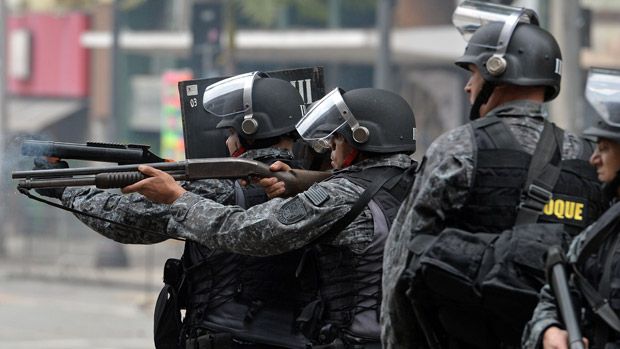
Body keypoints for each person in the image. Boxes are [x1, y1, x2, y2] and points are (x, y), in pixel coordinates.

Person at [121, 87, 418, 349]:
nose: (330, 147)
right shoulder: (423, 183)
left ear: (361, 138)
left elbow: (245, 232)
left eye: (338, 139)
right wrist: (301, 182)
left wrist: (177, 198)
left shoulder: (341, 196)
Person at [34, 72, 314, 348]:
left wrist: (65, 190)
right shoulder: (326, 188)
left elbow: (123, 219)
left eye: (230, 132)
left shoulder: (214, 190)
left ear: (248, 133)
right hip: (298, 338)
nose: (228, 141)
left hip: (224, 335)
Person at [381, 9, 605, 349]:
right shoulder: (588, 157)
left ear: (497, 71)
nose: (469, 86)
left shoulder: (458, 149)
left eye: (473, 72)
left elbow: (403, 263)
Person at [522, 68, 620, 349]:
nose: (594, 159)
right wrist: (549, 331)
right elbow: (552, 297)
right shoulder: (600, 233)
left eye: (604, 148)